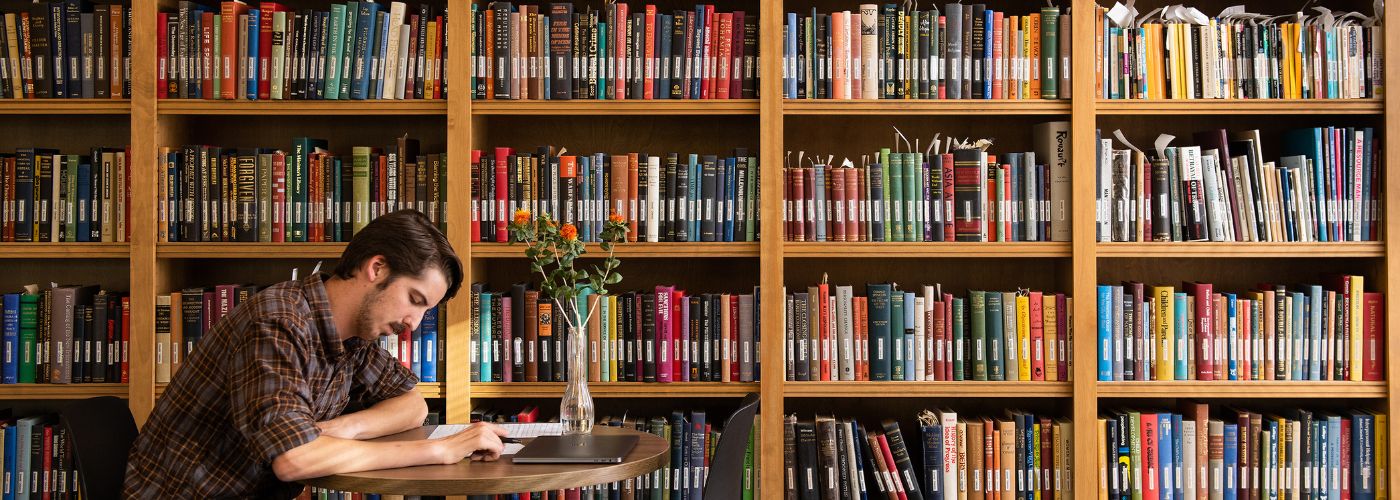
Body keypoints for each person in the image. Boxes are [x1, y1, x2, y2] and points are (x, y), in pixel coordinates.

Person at [125, 210, 508, 498]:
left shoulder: (351, 336)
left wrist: (343, 428)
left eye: (426, 310)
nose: (414, 321)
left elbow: (412, 404)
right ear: (376, 268)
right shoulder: (279, 321)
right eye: (414, 300)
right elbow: (295, 460)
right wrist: (439, 450)